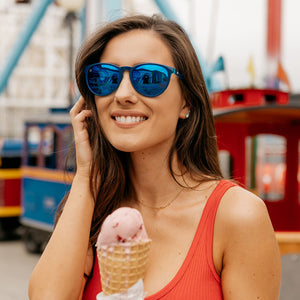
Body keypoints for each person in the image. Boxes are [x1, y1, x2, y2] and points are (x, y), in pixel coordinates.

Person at [28, 14, 281, 299]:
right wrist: (87, 173)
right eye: (106, 78)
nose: (123, 94)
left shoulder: (237, 216)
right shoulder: (93, 212)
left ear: (186, 100)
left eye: (148, 78)